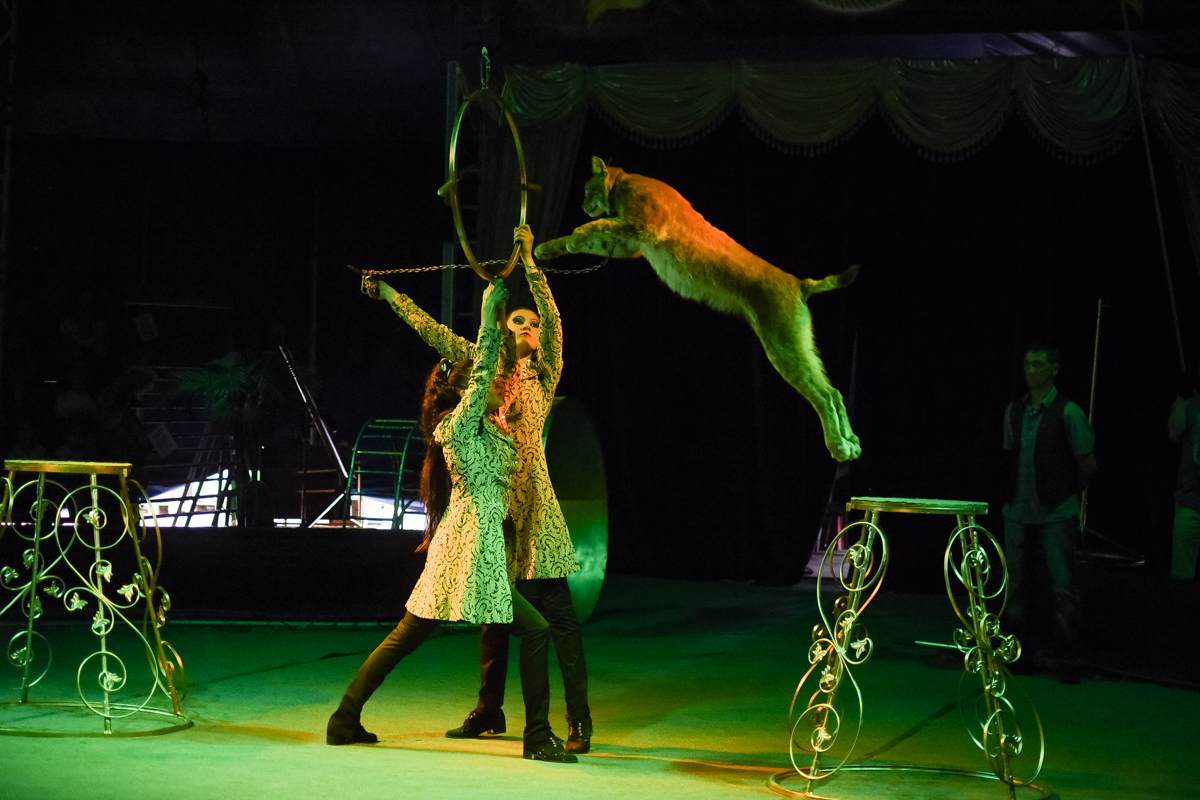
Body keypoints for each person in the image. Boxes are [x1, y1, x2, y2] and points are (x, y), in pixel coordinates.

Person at [325, 279, 576, 763]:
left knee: (408, 636)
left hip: (470, 546)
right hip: (472, 547)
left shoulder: (489, 424)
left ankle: (344, 718)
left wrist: (395, 298)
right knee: (534, 629)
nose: (499, 383)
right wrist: (487, 314)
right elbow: (482, 367)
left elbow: (496, 367)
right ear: (466, 389)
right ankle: (538, 738)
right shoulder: (459, 424)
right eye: (487, 381)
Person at [373, 224, 592, 754]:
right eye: (519, 321)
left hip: (533, 504)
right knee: (495, 612)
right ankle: (489, 709)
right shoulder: (484, 364)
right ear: (502, 327)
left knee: (557, 614)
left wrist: (530, 264)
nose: (530, 327)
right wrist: (390, 295)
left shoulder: (545, 373)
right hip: (492, 503)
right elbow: (433, 332)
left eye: (533, 324)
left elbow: (553, 318)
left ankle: (579, 719)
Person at [1002, 345, 1096, 672]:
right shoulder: (1014, 410)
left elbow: (1087, 463)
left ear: (1054, 369)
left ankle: (1068, 652)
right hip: (1018, 508)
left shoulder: (1069, 412)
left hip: (1055, 510)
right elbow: (1010, 456)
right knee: (1015, 583)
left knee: (1062, 584)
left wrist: (1066, 492)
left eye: (1038, 364)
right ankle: (1017, 650)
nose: (1030, 370)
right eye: (1027, 364)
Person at [1168, 373, 1200, 584]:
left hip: (1189, 499)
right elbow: (1173, 433)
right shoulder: (1190, 404)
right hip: (1190, 501)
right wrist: (1182, 397)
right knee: (1182, 578)